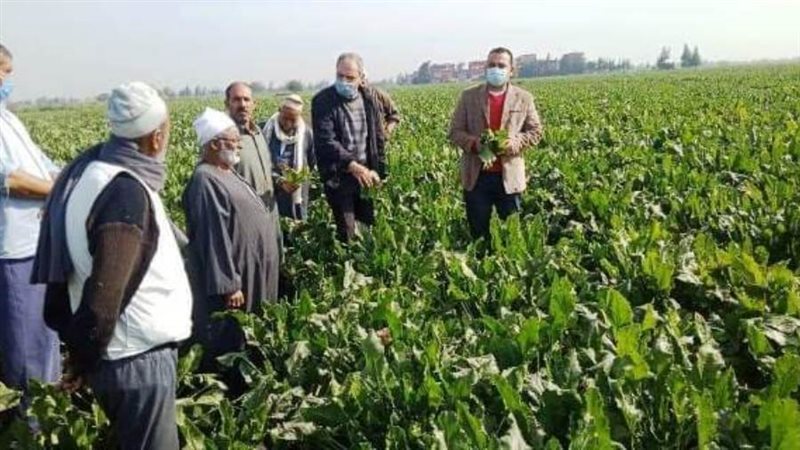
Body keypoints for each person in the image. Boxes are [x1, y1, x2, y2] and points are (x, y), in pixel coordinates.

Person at [34, 82, 192, 450]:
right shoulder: (125, 190)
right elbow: (107, 290)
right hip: (136, 359)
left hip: (120, 357)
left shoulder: (90, 173)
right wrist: (84, 356)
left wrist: (81, 355)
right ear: (155, 138)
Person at [183, 108, 281, 396]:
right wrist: (229, 284)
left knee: (254, 334)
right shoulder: (205, 180)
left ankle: (255, 386)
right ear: (214, 144)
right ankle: (236, 395)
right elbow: (212, 237)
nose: (239, 144)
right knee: (234, 339)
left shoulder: (226, 172)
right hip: (238, 281)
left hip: (256, 272)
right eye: (232, 140)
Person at [0, 43, 61, 411]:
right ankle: (31, 426)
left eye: (8, 71)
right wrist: (56, 191)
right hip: (12, 250)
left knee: (44, 336)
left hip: (35, 245)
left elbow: (41, 162)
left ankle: (48, 416)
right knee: (25, 349)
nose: (6, 79)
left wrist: (64, 179)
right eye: (1, 70)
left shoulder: (9, 119)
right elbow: (12, 179)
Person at [448, 47, 543, 240]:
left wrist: (515, 142)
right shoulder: (469, 96)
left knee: (511, 236)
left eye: (501, 65)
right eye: (491, 65)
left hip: (509, 178)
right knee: (479, 234)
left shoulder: (524, 98)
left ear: (511, 70)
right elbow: (455, 132)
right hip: (477, 177)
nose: (496, 69)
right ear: (485, 68)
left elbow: (536, 131)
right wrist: (475, 144)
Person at [312, 52, 386, 241]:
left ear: (361, 78)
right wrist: (352, 165)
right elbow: (326, 141)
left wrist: (378, 170)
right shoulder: (323, 101)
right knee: (348, 232)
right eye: (340, 76)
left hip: (366, 175)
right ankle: (349, 268)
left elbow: (377, 137)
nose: (344, 81)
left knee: (368, 230)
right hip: (339, 176)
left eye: (350, 77)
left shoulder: (369, 99)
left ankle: (366, 269)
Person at [262, 94, 315, 220]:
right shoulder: (264, 130)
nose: (287, 123)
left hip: (296, 197)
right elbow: (258, 164)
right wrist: (279, 181)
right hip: (268, 193)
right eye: (285, 118)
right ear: (279, 111)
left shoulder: (306, 134)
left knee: (296, 231)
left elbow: (311, 164)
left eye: (293, 120)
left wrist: (297, 179)